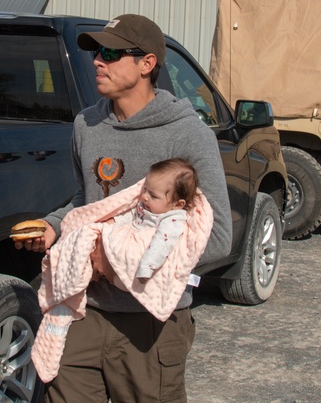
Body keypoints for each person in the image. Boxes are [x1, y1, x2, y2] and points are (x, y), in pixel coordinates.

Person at [17, 14, 232, 403]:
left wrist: (114, 261)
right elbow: (87, 202)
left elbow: (215, 239)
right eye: (97, 52)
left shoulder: (187, 134)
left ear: (147, 64)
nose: (98, 60)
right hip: (84, 312)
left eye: (112, 53)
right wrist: (52, 227)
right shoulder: (87, 124)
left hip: (149, 325)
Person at [31, 157, 212, 384]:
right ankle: (69, 287)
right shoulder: (146, 205)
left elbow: (162, 246)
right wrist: (93, 226)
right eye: (145, 190)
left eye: (153, 195)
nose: (144, 197)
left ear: (178, 204)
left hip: (143, 312)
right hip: (91, 312)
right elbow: (107, 205)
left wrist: (133, 265)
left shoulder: (173, 219)